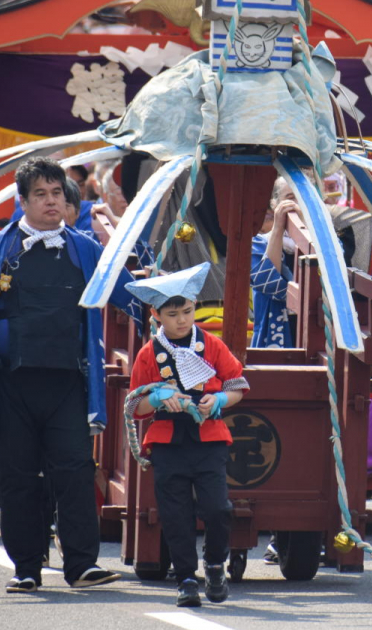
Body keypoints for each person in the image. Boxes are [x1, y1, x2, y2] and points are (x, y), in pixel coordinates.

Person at [0, 157, 144, 593]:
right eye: (41, 194)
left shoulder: (85, 248)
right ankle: (26, 566)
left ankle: (81, 565)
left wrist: (166, 307)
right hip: (11, 382)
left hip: (69, 381)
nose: (52, 202)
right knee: (17, 476)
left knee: (75, 470)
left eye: (58, 194)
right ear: (23, 201)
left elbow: (128, 293)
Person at [125, 262, 250, 607]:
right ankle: (185, 579)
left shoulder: (212, 344)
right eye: (173, 314)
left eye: (187, 312)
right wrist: (157, 398)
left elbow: (238, 385)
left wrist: (220, 399)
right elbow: (135, 406)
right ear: (156, 315)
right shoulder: (149, 353)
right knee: (175, 515)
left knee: (218, 509)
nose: (182, 320)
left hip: (209, 436)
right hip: (167, 441)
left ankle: (215, 564)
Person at [251, 178, 298, 348]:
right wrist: (278, 227)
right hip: (273, 335)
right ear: (274, 204)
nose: (297, 205)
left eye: (303, 199)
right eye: (290, 198)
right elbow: (269, 284)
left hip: (314, 332)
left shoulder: (329, 243)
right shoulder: (258, 243)